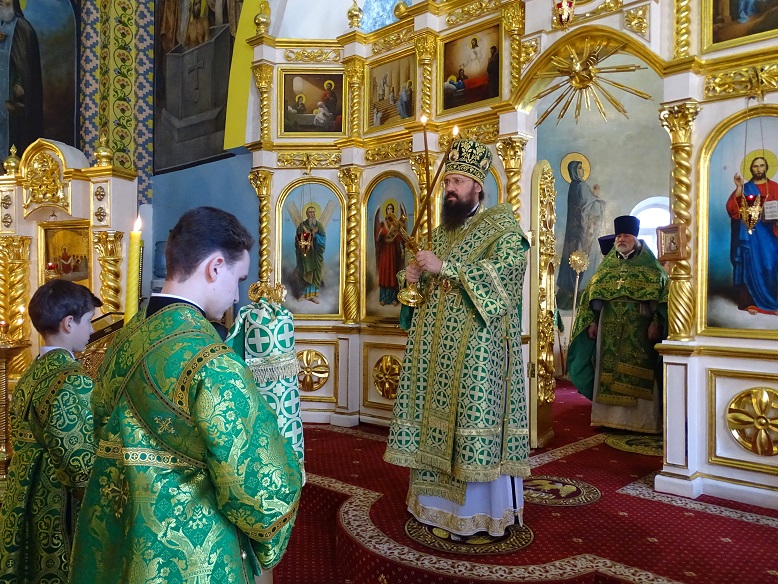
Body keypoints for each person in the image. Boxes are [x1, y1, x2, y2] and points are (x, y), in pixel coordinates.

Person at [69, 206, 302, 583]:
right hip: (192, 555)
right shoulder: (214, 363)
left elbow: (97, 428)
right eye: (238, 279)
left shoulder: (121, 344)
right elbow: (261, 494)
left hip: (119, 539)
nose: (236, 295)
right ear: (215, 267)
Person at [384, 138, 530, 539]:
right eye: (448, 181)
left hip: (477, 353)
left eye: (459, 181)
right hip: (435, 355)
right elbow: (420, 288)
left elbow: (505, 279)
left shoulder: (502, 229)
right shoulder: (439, 233)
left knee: (471, 424)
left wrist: (446, 267)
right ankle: (433, 509)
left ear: (477, 187)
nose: (450, 188)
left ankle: (479, 514)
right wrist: (410, 278)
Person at [0, 279, 101, 582]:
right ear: (69, 323)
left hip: (23, 490)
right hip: (56, 500)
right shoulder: (73, 380)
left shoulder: (30, 373)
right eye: (88, 322)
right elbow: (79, 466)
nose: (92, 331)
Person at [568, 215, 668, 434]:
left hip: (639, 327)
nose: (621, 239)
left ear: (635, 238)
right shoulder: (607, 267)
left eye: (626, 235)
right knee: (608, 370)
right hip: (609, 325)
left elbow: (659, 297)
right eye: (619, 235)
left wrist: (655, 323)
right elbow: (594, 296)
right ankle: (608, 419)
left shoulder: (651, 266)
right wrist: (593, 321)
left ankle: (641, 422)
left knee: (639, 370)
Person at [725, 155, 778, 314]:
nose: (758, 169)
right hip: (750, 235)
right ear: (751, 169)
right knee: (748, 265)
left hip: (770, 234)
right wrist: (739, 187)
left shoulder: (774, 187)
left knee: (770, 264)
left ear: (766, 167)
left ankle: (773, 302)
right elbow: (733, 209)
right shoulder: (746, 187)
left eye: (761, 165)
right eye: (755, 166)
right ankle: (750, 303)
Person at [557, 159, 606, 309]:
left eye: (582, 168)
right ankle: (579, 292)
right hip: (583, 232)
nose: (582, 170)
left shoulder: (573, 186)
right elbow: (588, 209)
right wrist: (597, 197)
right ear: (574, 171)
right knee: (583, 258)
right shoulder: (582, 186)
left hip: (573, 232)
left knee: (571, 258)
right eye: (579, 168)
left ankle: (569, 292)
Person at [0, 0, 43, 160]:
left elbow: (26, 64)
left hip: (10, 91)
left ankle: (11, 163)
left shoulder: (23, 28)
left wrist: (20, 82)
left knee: (13, 129)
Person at [374, 202, 404, 306]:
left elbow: (400, 239)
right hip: (385, 253)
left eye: (391, 209)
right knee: (385, 273)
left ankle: (393, 298)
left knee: (392, 273)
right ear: (386, 211)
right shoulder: (383, 224)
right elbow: (378, 239)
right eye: (388, 209)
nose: (390, 211)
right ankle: (383, 298)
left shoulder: (396, 224)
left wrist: (402, 249)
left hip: (392, 253)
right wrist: (382, 237)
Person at [295, 205, 326, 303]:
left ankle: (312, 295)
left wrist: (314, 235)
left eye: (313, 212)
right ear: (306, 214)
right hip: (306, 255)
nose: (311, 214)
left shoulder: (319, 225)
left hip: (315, 254)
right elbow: (298, 238)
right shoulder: (302, 226)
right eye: (309, 212)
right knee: (305, 271)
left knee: (315, 273)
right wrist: (306, 235)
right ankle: (304, 294)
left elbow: (323, 238)